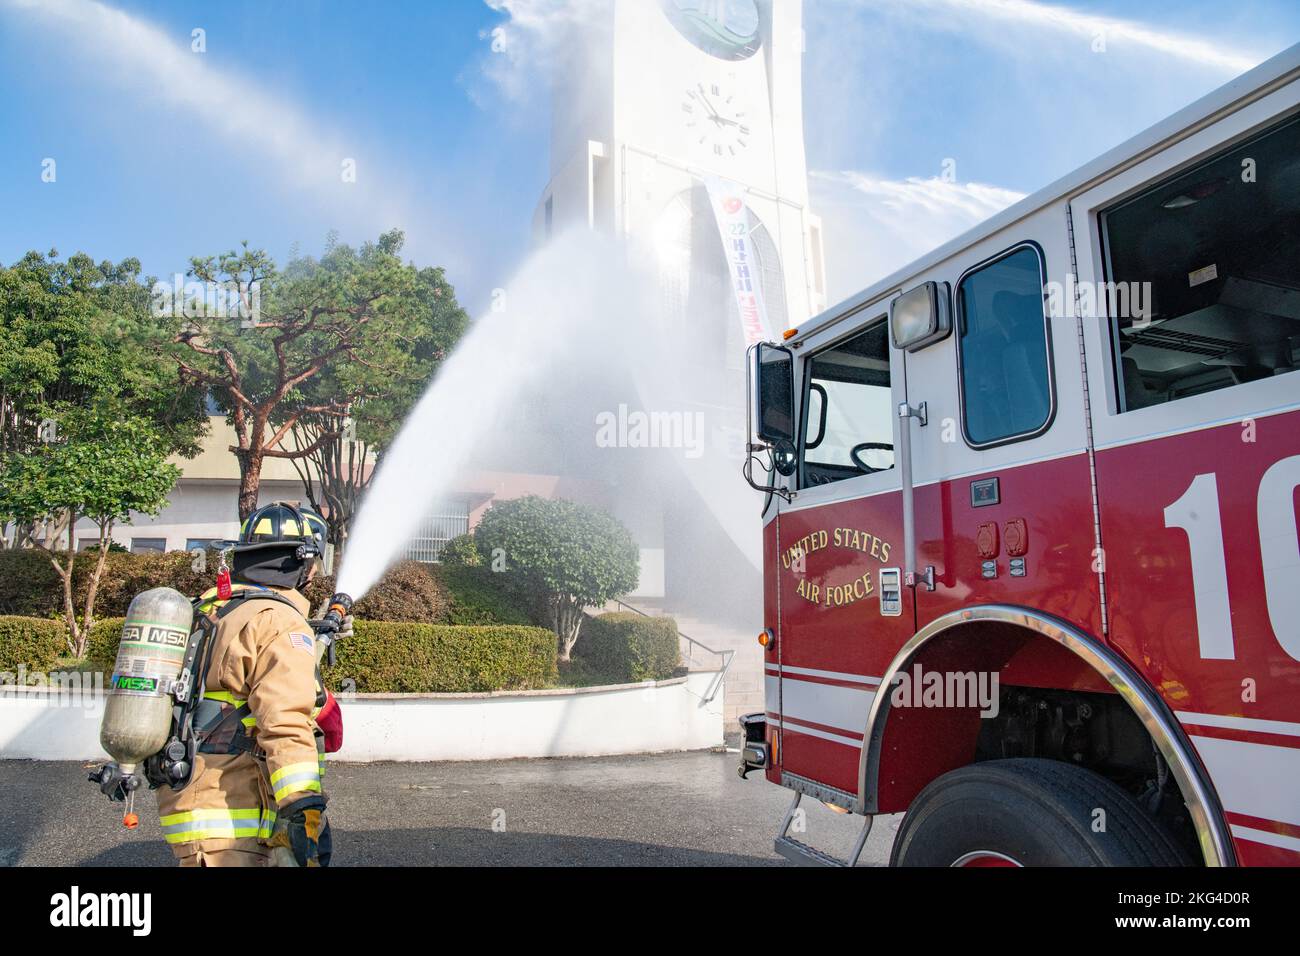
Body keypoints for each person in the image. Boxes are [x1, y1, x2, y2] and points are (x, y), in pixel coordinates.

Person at [155, 502, 348, 867]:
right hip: (232, 809)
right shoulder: (278, 621)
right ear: (303, 563)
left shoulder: (210, 607)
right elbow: (285, 720)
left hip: (190, 798)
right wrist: (302, 808)